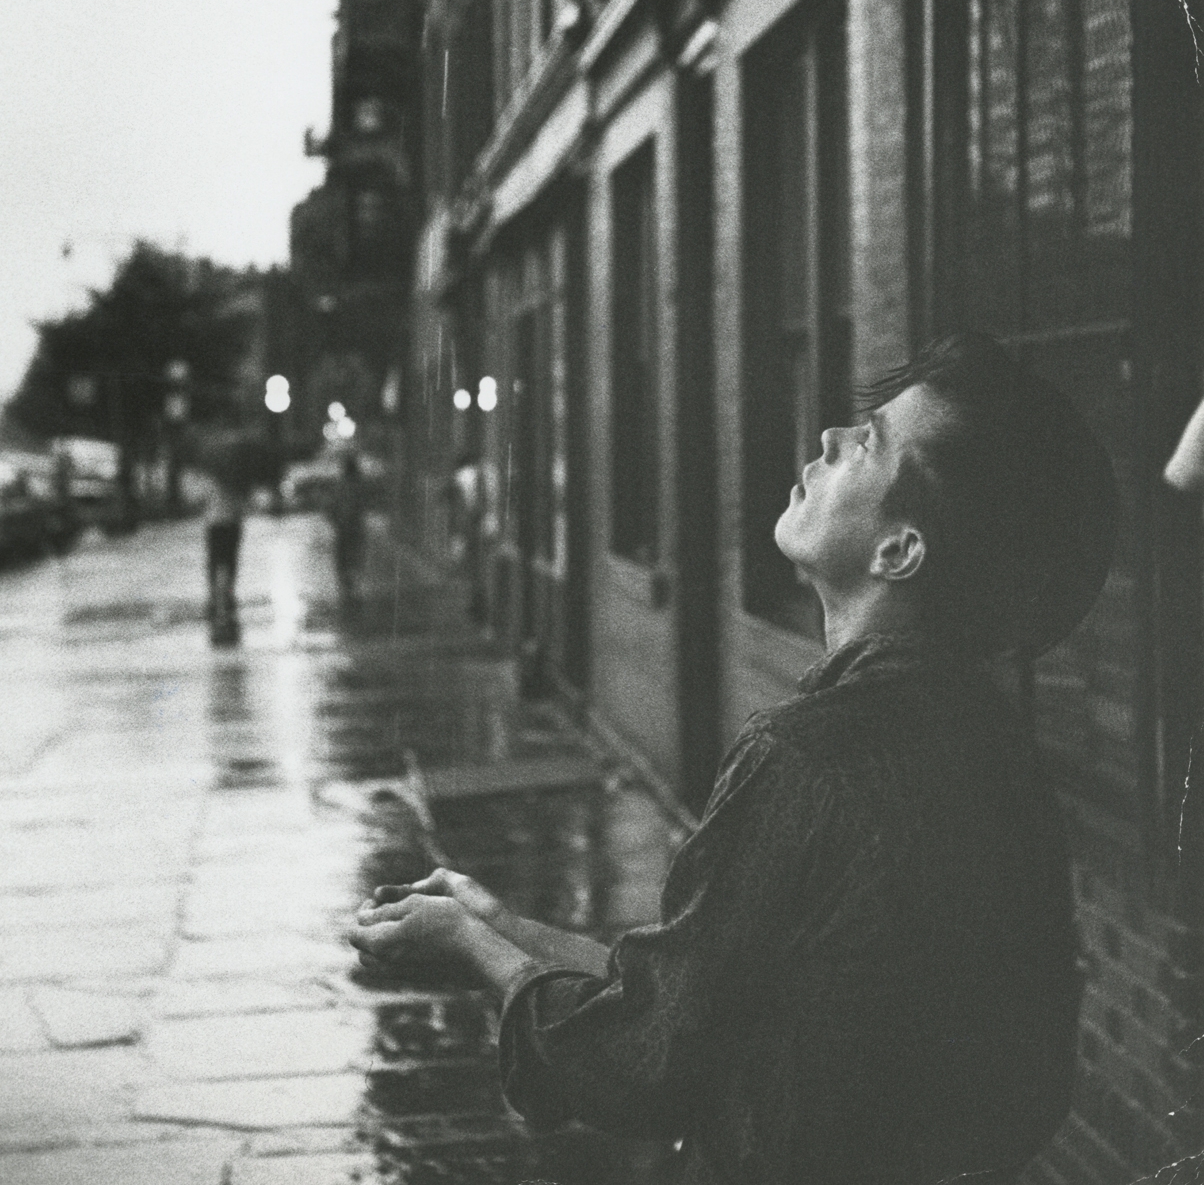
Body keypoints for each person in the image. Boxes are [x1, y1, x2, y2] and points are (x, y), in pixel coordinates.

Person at [349, 332, 1118, 1185]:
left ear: (899, 551)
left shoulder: (809, 756)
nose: (829, 439)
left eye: (870, 443)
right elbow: (698, 995)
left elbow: (643, 1063)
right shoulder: (986, 739)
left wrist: (471, 948)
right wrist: (504, 925)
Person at [202, 470, 245, 646]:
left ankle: (215, 592)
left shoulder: (211, 479)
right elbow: (241, 504)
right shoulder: (237, 480)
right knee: (228, 560)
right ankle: (225, 591)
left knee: (216, 560)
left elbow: (202, 500)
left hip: (215, 523)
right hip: (229, 523)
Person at [330, 451, 366, 607]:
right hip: (354, 524)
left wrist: (335, 518)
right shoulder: (358, 484)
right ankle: (352, 577)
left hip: (343, 524)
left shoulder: (341, 484)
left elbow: (332, 504)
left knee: (343, 552)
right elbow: (363, 503)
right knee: (354, 550)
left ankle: (346, 579)